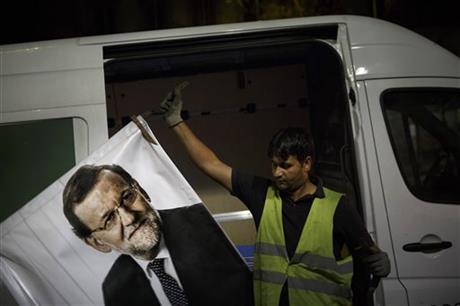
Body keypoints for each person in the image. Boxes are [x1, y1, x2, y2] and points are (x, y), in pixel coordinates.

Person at [159, 84, 391, 306]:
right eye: (273, 165)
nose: (277, 173)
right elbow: (211, 164)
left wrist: (379, 261)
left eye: (285, 166)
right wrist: (175, 121)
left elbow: (366, 255)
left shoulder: (337, 207)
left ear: (307, 163)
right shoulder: (262, 194)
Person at [62, 164, 253, 306]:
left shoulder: (204, 223)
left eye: (127, 197)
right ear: (97, 243)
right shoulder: (115, 291)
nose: (128, 218)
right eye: (109, 218)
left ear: (141, 190)